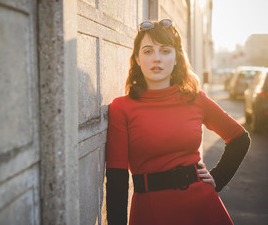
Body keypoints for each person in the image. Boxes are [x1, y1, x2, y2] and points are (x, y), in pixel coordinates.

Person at [105, 19, 251, 225]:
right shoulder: (121, 108)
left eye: (165, 51)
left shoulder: (196, 99)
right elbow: (116, 178)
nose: (156, 58)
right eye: (148, 51)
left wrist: (218, 177)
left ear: (176, 58)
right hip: (150, 212)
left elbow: (239, 139)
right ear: (137, 58)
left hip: (202, 208)